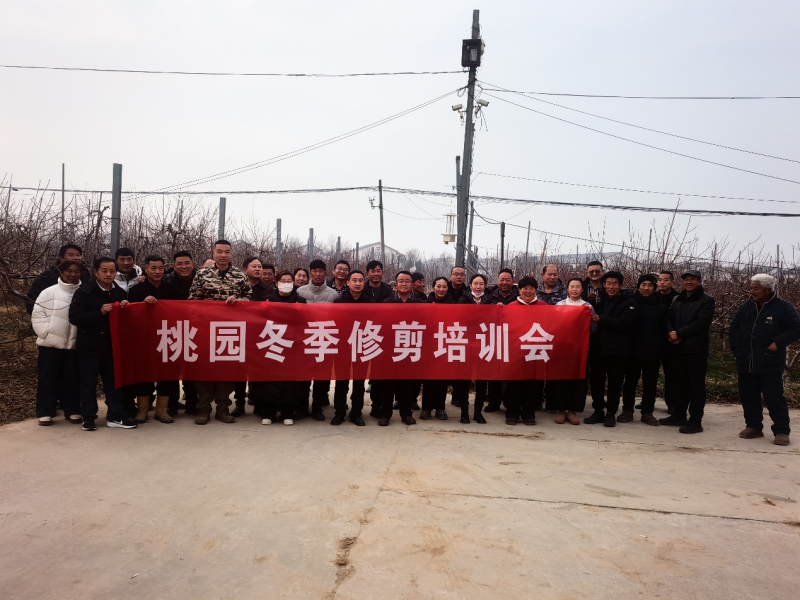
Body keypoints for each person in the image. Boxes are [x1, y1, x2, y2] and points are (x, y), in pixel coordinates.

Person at [730, 274, 800, 446]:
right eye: (751, 288)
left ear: (768, 290)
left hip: (770, 361)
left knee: (774, 398)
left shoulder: (783, 307)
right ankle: (753, 426)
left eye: (756, 288)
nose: (751, 291)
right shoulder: (746, 307)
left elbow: (796, 328)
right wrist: (737, 349)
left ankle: (781, 430)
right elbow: (734, 327)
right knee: (749, 396)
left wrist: (778, 342)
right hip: (746, 361)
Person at [188, 240, 253, 425]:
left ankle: (223, 408)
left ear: (231, 254)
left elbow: (250, 298)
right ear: (213, 253)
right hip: (205, 331)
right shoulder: (202, 274)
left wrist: (238, 301)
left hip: (230, 331)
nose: (223, 255)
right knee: (204, 370)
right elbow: (192, 301)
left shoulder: (240, 275)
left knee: (227, 370)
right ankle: (203, 408)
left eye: (227, 252)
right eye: (219, 251)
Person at [68, 257, 136, 431]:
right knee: (88, 384)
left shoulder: (119, 292)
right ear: (96, 272)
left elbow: (127, 321)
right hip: (89, 347)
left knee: (114, 384)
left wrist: (126, 308)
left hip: (112, 347)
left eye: (112, 271)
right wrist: (100, 312)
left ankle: (116, 416)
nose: (108, 274)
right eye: (104, 271)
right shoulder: (84, 292)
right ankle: (88, 417)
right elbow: (75, 318)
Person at [128, 255, 184, 424]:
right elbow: (130, 314)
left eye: (160, 268)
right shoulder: (136, 291)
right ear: (145, 269)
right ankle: (142, 410)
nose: (157, 271)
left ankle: (162, 410)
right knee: (144, 373)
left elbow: (181, 312)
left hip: (168, 338)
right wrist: (142, 305)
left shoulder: (173, 290)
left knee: (166, 374)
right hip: (144, 339)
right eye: (153, 268)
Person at [659, 270, 715, 433]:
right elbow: (668, 318)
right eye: (686, 280)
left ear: (699, 281)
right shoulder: (677, 299)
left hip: (696, 350)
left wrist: (679, 334)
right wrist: (671, 333)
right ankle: (679, 415)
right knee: (679, 384)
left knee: (695, 387)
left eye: (692, 279)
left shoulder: (706, 300)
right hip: (677, 348)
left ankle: (695, 421)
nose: (689, 282)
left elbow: (701, 323)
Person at [31, 260, 83, 426]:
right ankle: (46, 412)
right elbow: (37, 315)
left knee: (72, 379)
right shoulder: (48, 292)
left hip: (74, 346)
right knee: (47, 378)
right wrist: (46, 333)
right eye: (69, 271)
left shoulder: (84, 291)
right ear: (62, 272)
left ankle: (72, 410)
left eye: (76, 271)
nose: (73, 274)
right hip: (50, 345)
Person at [584, 271, 636, 427]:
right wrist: (591, 304)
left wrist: (602, 318)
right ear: (604, 284)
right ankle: (598, 411)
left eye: (614, 284)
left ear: (620, 285)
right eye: (608, 283)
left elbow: (624, 323)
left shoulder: (629, 301)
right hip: (599, 349)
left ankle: (611, 413)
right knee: (596, 382)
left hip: (618, 350)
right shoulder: (602, 299)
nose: (611, 287)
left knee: (614, 383)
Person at [372, 271, 424, 426]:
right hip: (390, 348)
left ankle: (406, 414)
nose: (404, 284)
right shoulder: (387, 302)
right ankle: (385, 414)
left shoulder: (419, 303)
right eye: (401, 281)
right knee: (388, 384)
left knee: (406, 384)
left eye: (407, 281)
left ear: (412, 284)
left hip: (409, 347)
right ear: (396, 284)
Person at [256, 270, 307, 426]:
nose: (286, 284)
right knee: (271, 379)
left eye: (289, 281)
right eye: (283, 281)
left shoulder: (300, 301)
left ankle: (287, 412)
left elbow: (305, 323)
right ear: (276, 283)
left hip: (293, 344)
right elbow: (259, 321)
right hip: (273, 343)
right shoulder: (268, 299)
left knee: (290, 380)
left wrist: (300, 312)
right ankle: (269, 413)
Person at [621, 275, 668, 426]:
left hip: (653, 351)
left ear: (654, 288)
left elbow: (664, 329)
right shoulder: (630, 303)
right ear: (638, 286)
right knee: (630, 382)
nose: (646, 288)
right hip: (632, 351)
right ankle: (627, 410)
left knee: (650, 384)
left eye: (650, 285)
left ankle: (647, 412)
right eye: (643, 284)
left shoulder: (661, 307)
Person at [553, 278, 599, 425]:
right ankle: (561, 409)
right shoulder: (559, 305)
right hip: (563, 349)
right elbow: (553, 326)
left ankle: (572, 410)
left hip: (581, 349)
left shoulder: (587, 306)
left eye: (577, 287)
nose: (574, 289)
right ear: (567, 289)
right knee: (561, 379)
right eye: (572, 286)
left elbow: (593, 330)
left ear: (582, 289)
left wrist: (592, 320)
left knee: (578, 380)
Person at [297, 259, 338, 420]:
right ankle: (302, 407)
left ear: (325, 273)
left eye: (321, 271)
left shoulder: (333, 294)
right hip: (305, 339)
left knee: (321, 376)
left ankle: (317, 408)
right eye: (315, 271)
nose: (318, 274)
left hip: (324, 339)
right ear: (310, 273)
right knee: (303, 376)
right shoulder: (300, 292)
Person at [331, 270, 373, 426]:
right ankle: (339, 412)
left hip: (361, 347)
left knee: (359, 383)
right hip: (343, 347)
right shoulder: (339, 302)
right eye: (354, 280)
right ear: (347, 282)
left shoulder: (370, 304)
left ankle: (356, 413)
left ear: (364, 283)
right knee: (341, 382)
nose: (357, 283)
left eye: (360, 280)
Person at [505, 276, 546, 426]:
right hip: (516, 351)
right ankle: (512, 413)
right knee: (514, 384)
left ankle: (529, 413)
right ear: (519, 290)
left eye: (531, 288)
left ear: (536, 290)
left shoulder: (543, 306)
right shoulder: (511, 306)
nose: (528, 291)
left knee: (533, 383)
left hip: (535, 350)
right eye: (525, 288)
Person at [232, 257, 269, 417]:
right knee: (240, 371)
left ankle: (257, 401)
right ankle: (239, 403)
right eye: (254, 266)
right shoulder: (236, 285)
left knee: (258, 370)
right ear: (245, 269)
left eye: (260, 266)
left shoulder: (268, 289)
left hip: (260, 334)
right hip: (240, 333)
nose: (258, 269)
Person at [457, 273, 495, 424]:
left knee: (482, 380)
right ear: (470, 285)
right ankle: (464, 412)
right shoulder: (463, 299)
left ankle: (478, 412)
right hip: (466, 343)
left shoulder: (491, 300)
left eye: (481, 284)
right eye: (475, 283)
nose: (478, 287)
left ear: (485, 286)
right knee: (464, 380)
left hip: (484, 343)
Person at [164, 250, 197, 414]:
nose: (184, 267)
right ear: (174, 266)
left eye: (187, 263)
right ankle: (172, 403)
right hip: (174, 328)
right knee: (172, 367)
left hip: (197, 328)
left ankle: (192, 403)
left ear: (192, 264)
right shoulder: (166, 281)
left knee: (193, 367)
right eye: (180, 264)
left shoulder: (202, 278)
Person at [420, 278, 453, 421]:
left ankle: (440, 408)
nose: (441, 289)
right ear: (433, 287)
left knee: (442, 379)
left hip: (445, 345)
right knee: (428, 379)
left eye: (444, 287)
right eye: (438, 286)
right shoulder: (425, 304)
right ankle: (426, 408)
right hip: (429, 346)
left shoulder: (454, 305)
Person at [25, 243, 89, 314]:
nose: (76, 258)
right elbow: (31, 303)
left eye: (78, 255)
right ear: (61, 258)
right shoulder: (48, 276)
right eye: (71, 255)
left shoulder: (86, 275)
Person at [656, 270, 680, 413]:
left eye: (665, 280)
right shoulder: (654, 296)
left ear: (672, 282)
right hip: (654, 340)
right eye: (659, 280)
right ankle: (648, 400)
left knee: (671, 374)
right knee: (650, 373)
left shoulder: (678, 298)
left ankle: (672, 403)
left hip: (670, 341)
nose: (662, 283)